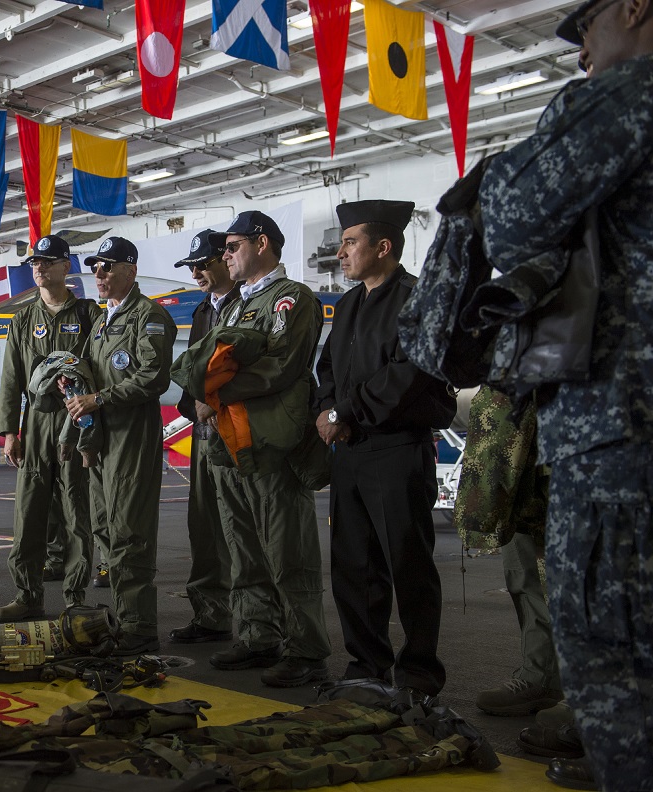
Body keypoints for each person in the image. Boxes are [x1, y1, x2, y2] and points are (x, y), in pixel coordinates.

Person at [479, 3, 653, 788]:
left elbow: (512, 217)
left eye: (587, 29)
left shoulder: (627, 95)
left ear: (633, 8)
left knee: (614, 647)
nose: (584, 51)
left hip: (623, 429)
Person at [315, 200, 456, 699]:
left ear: (383, 246)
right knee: (354, 565)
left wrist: (344, 413)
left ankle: (418, 672)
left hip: (398, 449)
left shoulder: (416, 299)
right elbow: (328, 368)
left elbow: (408, 374)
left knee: (408, 563)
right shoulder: (350, 303)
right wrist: (329, 409)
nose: (341, 252)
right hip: (352, 450)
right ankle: (366, 664)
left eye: (350, 242)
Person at [202, 212, 331, 686]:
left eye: (232, 246)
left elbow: (280, 366)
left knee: (288, 550)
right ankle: (258, 635)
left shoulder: (291, 298)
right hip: (231, 445)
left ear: (262, 244)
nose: (225, 255)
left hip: (273, 444)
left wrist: (210, 387)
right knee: (245, 548)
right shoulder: (234, 305)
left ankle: (306, 648)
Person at [65, 236, 177, 655]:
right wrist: (74, 383)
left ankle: (139, 628)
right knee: (105, 528)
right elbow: (94, 375)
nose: (99, 274)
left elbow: (153, 377)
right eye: (96, 267)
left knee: (129, 532)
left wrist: (98, 399)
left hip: (131, 437)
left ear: (130, 270)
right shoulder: (102, 320)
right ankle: (123, 619)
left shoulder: (149, 316)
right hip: (101, 440)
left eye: (108, 267)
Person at [0, 234, 101, 621]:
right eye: (34, 263)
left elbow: (101, 372)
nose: (37, 268)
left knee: (76, 511)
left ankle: (75, 598)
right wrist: (9, 432)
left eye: (46, 261)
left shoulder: (89, 315)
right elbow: (10, 378)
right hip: (36, 425)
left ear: (65, 267)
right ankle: (28, 595)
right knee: (29, 511)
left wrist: (92, 432)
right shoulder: (23, 320)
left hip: (76, 419)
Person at [454, 386, 563, 717]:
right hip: (519, 457)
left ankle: (594, 694)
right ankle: (539, 675)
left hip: (571, 451)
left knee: (584, 579)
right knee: (524, 571)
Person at [167, 230, 240, 646]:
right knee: (204, 524)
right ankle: (212, 616)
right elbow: (193, 373)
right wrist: (191, 407)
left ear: (225, 260)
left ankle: (256, 622)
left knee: (243, 528)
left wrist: (214, 402)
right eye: (191, 267)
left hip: (237, 430)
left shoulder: (247, 306)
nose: (196, 272)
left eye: (203, 264)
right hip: (204, 431)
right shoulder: (202, 312)